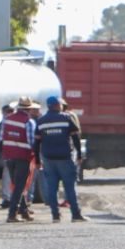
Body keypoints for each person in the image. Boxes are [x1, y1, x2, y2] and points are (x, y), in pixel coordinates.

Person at [34, 95, 85, 223]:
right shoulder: (66, 118)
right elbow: (75, 138)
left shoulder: (41, 121)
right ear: (57, 105)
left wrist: (37, 160)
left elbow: (37, 143)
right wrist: (79, 155)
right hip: (65, 158)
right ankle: (76, 215)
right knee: (69, 187)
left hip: (48, 159)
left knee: (52, 188)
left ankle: (55, 215)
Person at [0, 99, 37, 222]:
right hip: (23, 157)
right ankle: (12, 214)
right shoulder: (29, 122)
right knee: (19, 186)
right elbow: (32, 142)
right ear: (29, 109)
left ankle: (23, 211)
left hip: (9, 156)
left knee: (16, 185)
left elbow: (0, 137)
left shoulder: (7, 119)